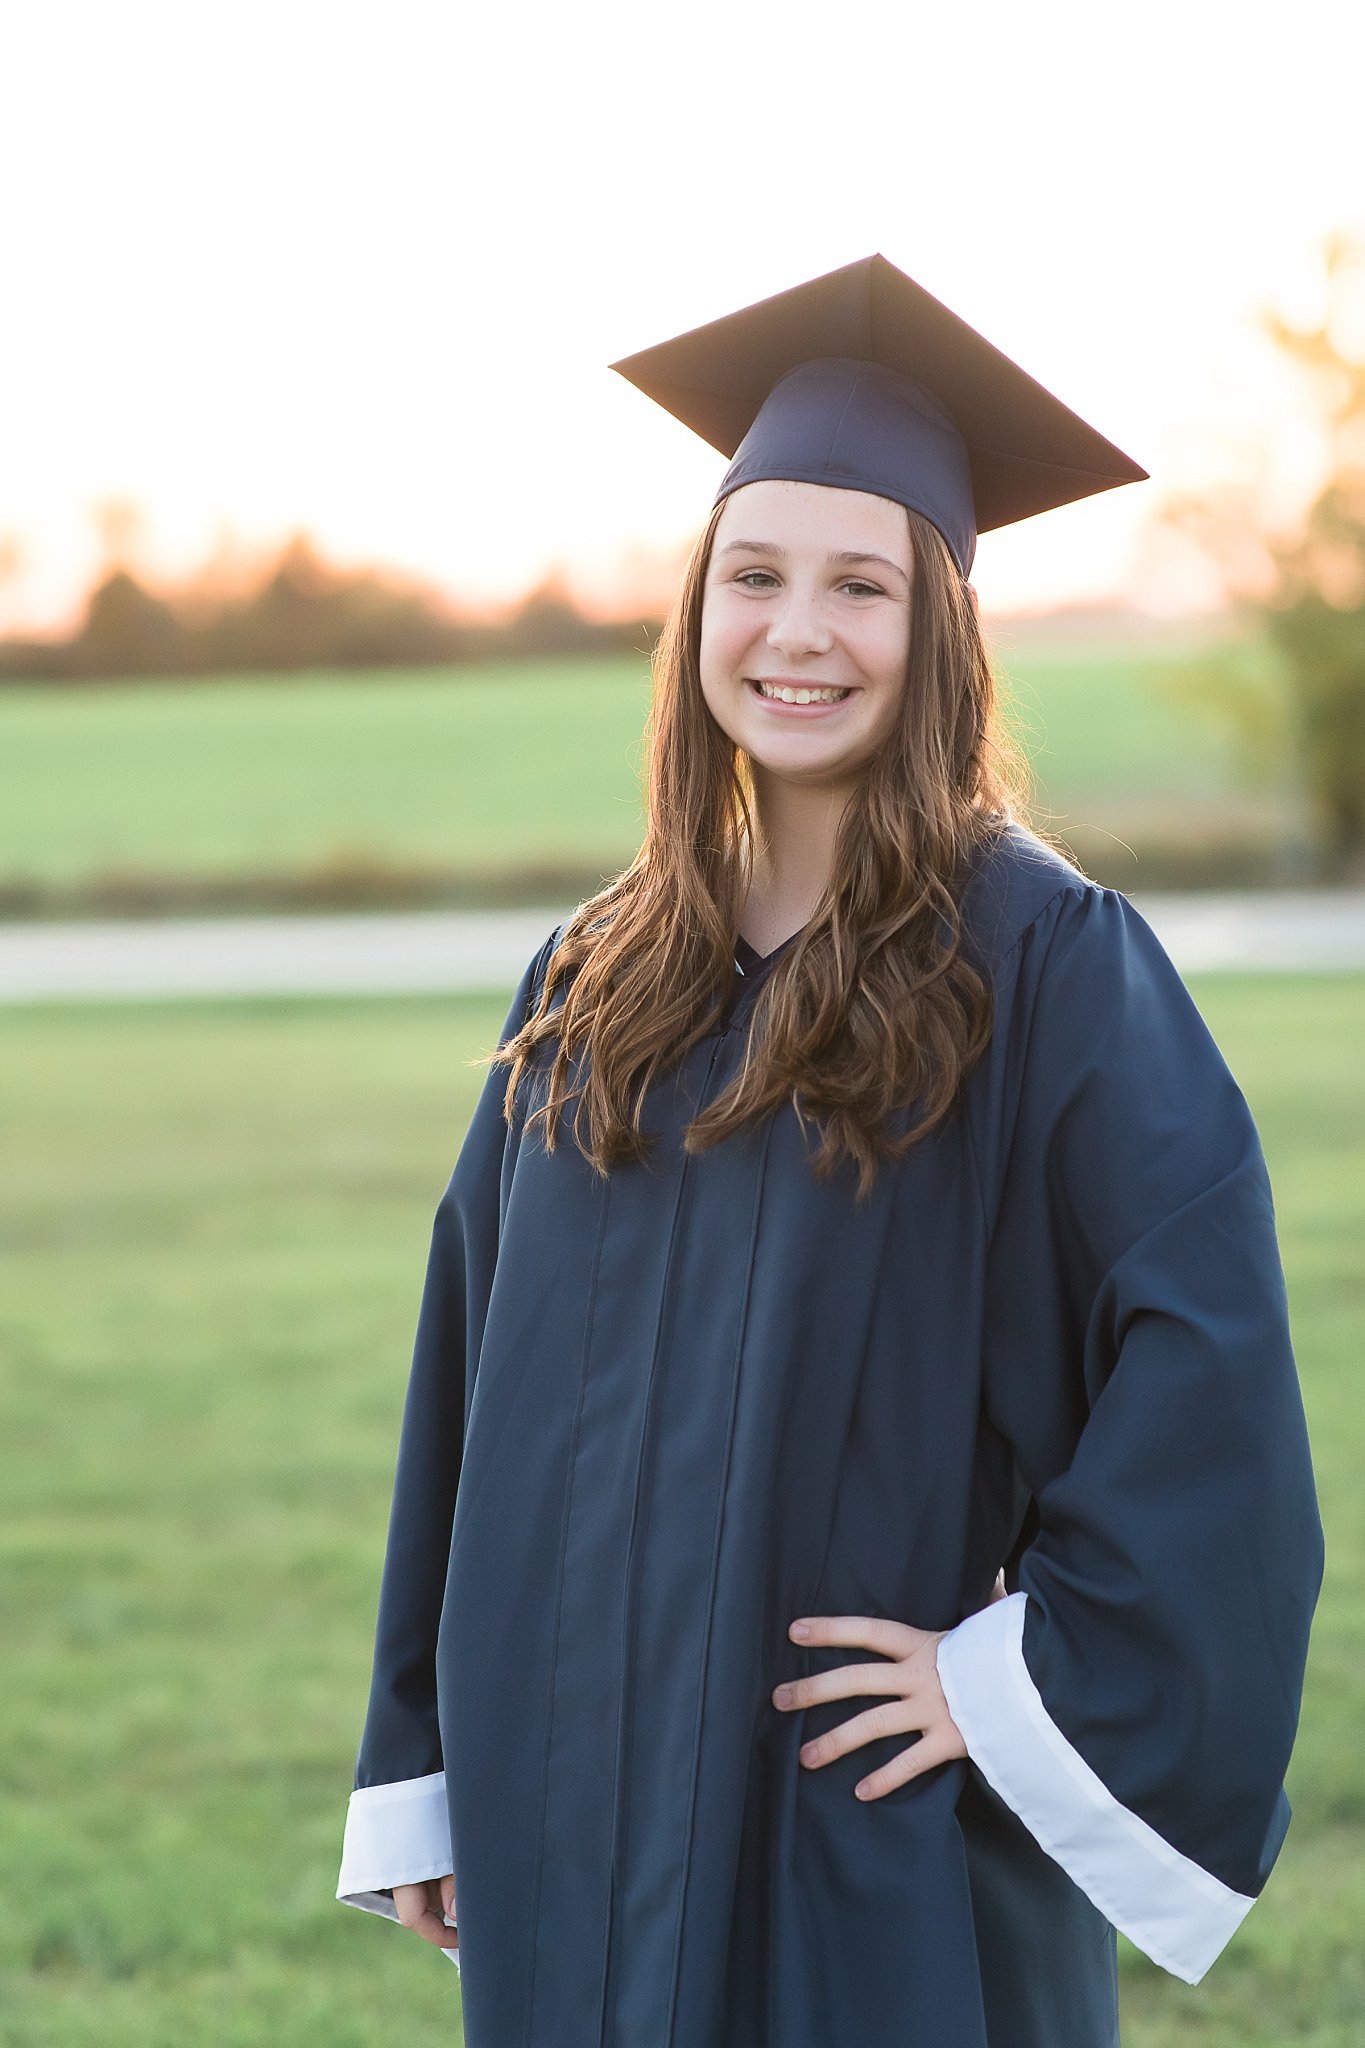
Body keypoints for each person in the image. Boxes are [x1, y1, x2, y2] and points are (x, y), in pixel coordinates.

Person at [335, 255, 1325, 2047]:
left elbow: (1208, 1372)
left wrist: (1005, 1679)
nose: (798, 633)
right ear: (696, 611)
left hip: (860, 1825)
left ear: (935, 627)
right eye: (755, 575)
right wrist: (425, 1753)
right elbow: (465, 1380)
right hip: (576, 1786)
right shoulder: (593, 973)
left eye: (859, 584)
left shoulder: (1041, 964)